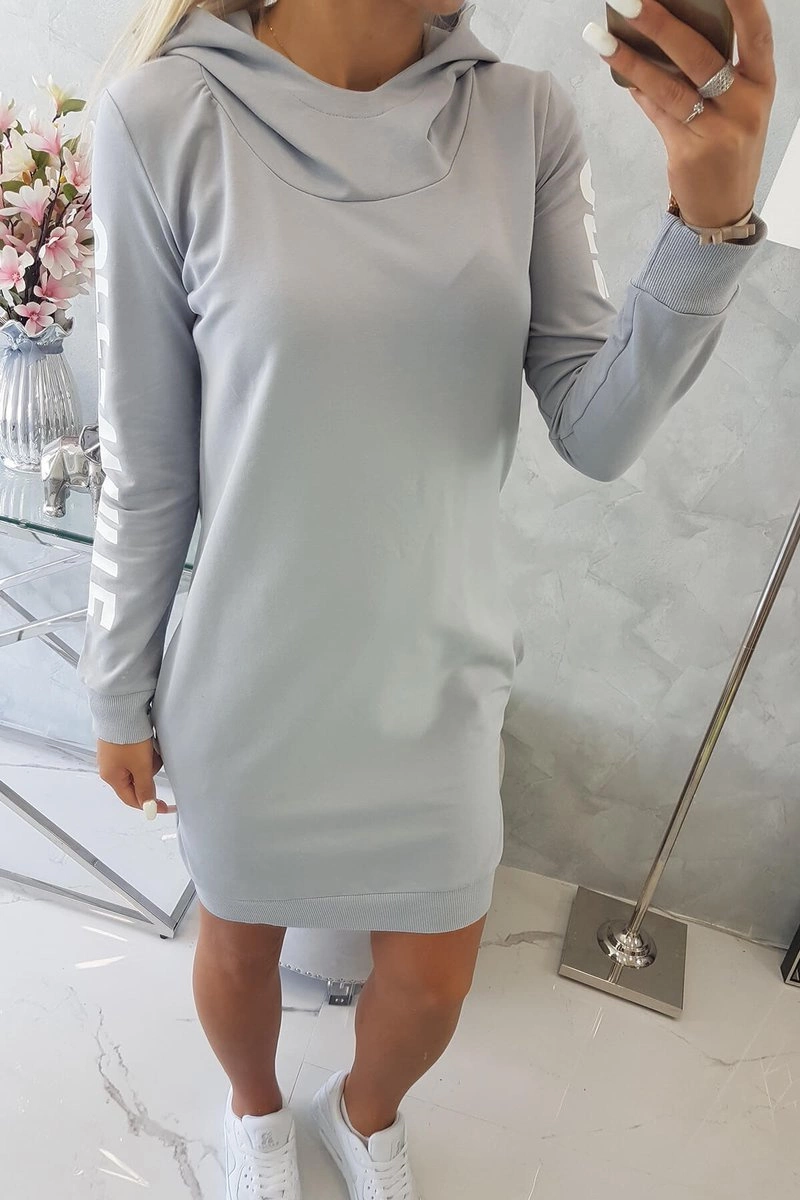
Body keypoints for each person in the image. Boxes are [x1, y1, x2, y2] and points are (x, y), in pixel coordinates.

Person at [76, 0, 775, 1196]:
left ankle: (362, 1113)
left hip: (438, 670)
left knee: (434, 976)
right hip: (249, 677)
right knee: (237, 944)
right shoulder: (162, 119)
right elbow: (149, 462)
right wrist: (116, 689)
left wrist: (705, 224)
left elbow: (596, 430)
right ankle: (254, 1112)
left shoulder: (522, 119)